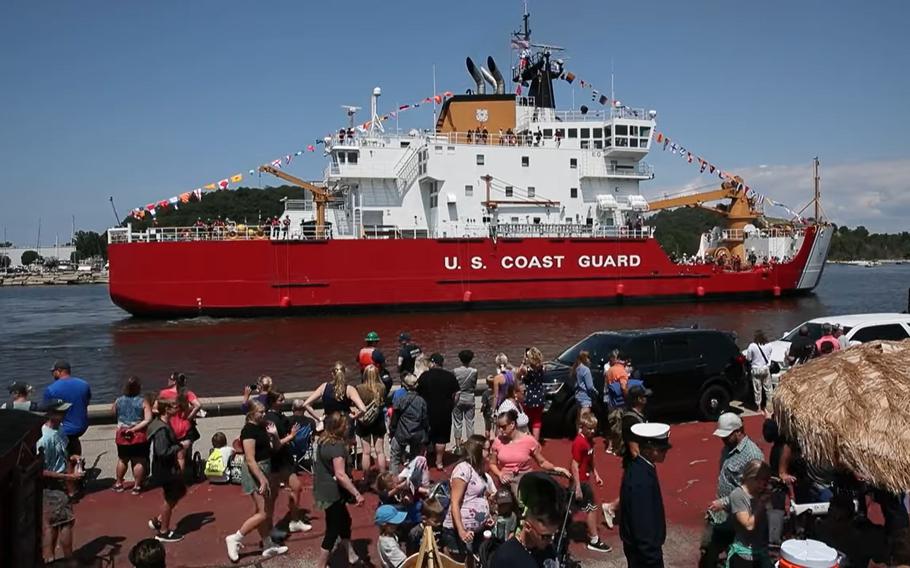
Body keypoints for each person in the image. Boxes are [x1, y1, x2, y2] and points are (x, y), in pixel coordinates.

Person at [225, 401, 288, 561]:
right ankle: (235, 538)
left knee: (262, 510)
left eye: (264, 411)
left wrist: (274, 435)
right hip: (255, 471)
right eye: (260, 412)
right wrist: (262, 480)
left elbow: (274, 449)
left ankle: (267, 544)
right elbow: (250, 459)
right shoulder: (248, 431)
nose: (263, 414)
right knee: (263, 513)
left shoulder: (261, 427)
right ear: (252, 413)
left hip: (265, 467)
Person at [700, 412, 764, 568]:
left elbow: (751, 492)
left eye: (726, 436)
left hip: (738, 515)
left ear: (739, 431)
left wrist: (724, 502)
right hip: (721, 514)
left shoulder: (753, 456)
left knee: (736, 555)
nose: (723, 440)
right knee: (707, 549)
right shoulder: (728, 447)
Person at [313, 412, 365, 568]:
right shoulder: (337, 447)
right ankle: (320, 565)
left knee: (344, 521)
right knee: (333, 528)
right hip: (333, 493)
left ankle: (351, 554)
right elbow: (340, 475)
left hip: (323, 488)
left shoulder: (323, 440)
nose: (348, 427)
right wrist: (357, 494)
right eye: (346, 425)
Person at [620, 422, 672, 567]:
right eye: (661, 449)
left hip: (638, 552)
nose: (665, 452)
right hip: (644, 557)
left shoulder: (638, 467)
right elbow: (643, 524)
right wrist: (653, 559)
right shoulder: (641, 480)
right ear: (648, 450)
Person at [37, 399, 82, 563]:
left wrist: (72, 457)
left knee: (53, 523)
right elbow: (41, 471)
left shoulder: (60, 429)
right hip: (53, 486)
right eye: (60, 412)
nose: (64, 414)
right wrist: (69, 478)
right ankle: (68, 559)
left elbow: (63, 452)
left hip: (61, 482)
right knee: (66, 522)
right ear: (50, 414)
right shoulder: (44, 440)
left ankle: (50, 559)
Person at [489, 409, 570, 498]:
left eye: (503, 427)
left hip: (524, 481)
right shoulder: (498, 441)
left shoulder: (529, 441)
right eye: (499, 427)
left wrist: (557, 469)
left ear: (512, 424)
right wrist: (500, 474)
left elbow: (542, 462)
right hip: (506, 482)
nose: (500, 430)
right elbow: (492, 463)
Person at [442, 435, 494, 559]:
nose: (489, 452)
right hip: (458, 532)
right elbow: (455, 502)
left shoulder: (479, 470)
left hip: (475, 532)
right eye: (486, 449)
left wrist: (487, 516)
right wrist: (461, 531)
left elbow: (480, 497)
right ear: (477, 450)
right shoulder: (463, 469)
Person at [147, 398, 191, 543]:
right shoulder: (161, 428)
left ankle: (159, 519)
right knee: (170, 497)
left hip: (167, 467)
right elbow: (162, 451)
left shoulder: (163, 424)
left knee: (180, 491)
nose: (177, 409)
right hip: (165, 469)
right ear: (166, 409)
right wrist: (180, 446)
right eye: (174, 407)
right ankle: (163, 532)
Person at [570, 413, 612, 552]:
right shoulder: (579, 442)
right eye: (590, 428)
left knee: (571, 508)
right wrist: (578, 487)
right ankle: (594, 540)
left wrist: (597, 475)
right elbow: (574, 465)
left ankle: (558, 530)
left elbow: (590, 460)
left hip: (585, 479)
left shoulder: (589, 440)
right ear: (582, 427)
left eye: (594, 428)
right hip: (580, 481)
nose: (593, 431)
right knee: (591, 508)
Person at [726, 460, 773, 567]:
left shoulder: (760, 493)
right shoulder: (738, 495)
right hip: (744, 555)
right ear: (752, 478)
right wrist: (761, 503)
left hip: (761, 552)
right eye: (763, 481)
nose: (765, 485)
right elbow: (749, 525)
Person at [417, 353, 459, 470]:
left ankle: (422, 460)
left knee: (425, 438)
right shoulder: (450, 376)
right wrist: (452, 405)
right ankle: (439, 462)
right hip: (444, 411)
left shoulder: (424, 376)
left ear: (433, 363)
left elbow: (418, 393)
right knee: (441, 438)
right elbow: (457, 394)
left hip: (427, 411)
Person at [112, 376, 153, 494]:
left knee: (122, 459)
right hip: (138, 434)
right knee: (138, 460)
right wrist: (134, 428)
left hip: (122, 433)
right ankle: (137, 486)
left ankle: (119, 483)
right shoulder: (142, 401)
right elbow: (148, 419)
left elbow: (113, 412)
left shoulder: (118, 400)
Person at [44, 360, 91, 460]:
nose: (52, 374)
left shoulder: (51, 389)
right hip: (82, 425)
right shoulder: (84, 384)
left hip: (65, 428)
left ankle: (67, 467)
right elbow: (86, 402)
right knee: (74, 440)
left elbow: (47, 411)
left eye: (53, 371)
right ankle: (78, 463)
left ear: (59, 371)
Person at [158, 372, 202, 474]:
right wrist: (189, 417)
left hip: (170, 426)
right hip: (184, 427)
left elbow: (156, 408)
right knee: (184, 452)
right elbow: (198, 405)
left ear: (174, 381)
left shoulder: (164, 393)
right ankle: (184, 471)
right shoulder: (188, 393)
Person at [488, 505, 560, 567]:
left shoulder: (548, 551)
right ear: (528, 527)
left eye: (553, 535)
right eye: (545, 536)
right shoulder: (505, 558)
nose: (550, 540)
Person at [302, 362, 367, 426]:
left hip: (329, 424)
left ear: (332, 374)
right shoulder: (349, 389)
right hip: (345, 424)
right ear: (344, 373)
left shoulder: (324, 387)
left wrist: (319, 418)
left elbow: (306, 404)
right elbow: (363, 409)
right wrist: (354, 417)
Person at [286, 399, 316, 532]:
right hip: (304, 448)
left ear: (293, 409)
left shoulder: (288, 421)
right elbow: (313, 437)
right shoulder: (311, 422)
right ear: (304, 409)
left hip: (291, 447)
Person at [389, 373, 429, 474]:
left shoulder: (400, 400)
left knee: (395, 459)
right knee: (414, 459)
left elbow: (394, 419)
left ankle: (393, 481)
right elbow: (424, 420)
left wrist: (392, 432)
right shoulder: (421, 401)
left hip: (401, 433)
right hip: (416, 433)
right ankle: (411, 480)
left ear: (405, 385)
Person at [356, 364, 388, 475]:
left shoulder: (359, 388)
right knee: (380, 451)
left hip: (364, 421)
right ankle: (383, 475)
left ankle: (366, 477)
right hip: (378, 420)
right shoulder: (382, 387)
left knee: (366, 452)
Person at [515, 347, 546, 440]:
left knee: (526, 419)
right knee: (537, 420)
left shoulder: (526, 369)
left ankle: (525, 440)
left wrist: (523, 361)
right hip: (540, 395)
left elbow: (518, 375)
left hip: (529, 396)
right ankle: (535, 442)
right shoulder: (543, 368)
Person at [452, 349, 479, 451]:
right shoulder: (474, 371)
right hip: (470, 397)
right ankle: (471, 445)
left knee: (457, 423)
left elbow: (453, 385)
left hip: (458, 398)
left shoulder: (455, 371)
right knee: (470, 423)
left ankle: (458, 446)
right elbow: (474, 384)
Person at [485, 353, 515, 440]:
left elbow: (496, 396)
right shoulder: (511, 375)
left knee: (499, 426)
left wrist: (493, 410)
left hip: (501, 403)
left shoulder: (498, 378)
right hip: (510, 401)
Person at [745, 331, 774, 411]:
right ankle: (769, 406)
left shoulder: (752, 346)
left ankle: (758, 407)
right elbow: (769, 357)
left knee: (757, 389)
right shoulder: (769, 345)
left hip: (755, 369)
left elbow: (748, 358)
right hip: (765, 368)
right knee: (768, 388)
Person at [571, 350, 596, 418]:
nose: (590, 360)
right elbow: (590, 386)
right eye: (589, 358)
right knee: (585, 421)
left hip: (578, 396)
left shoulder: (577, 368)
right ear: (585, 359)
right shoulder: (586, 370)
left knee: (579, 419)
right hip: (585, 398)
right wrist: (595, 392)